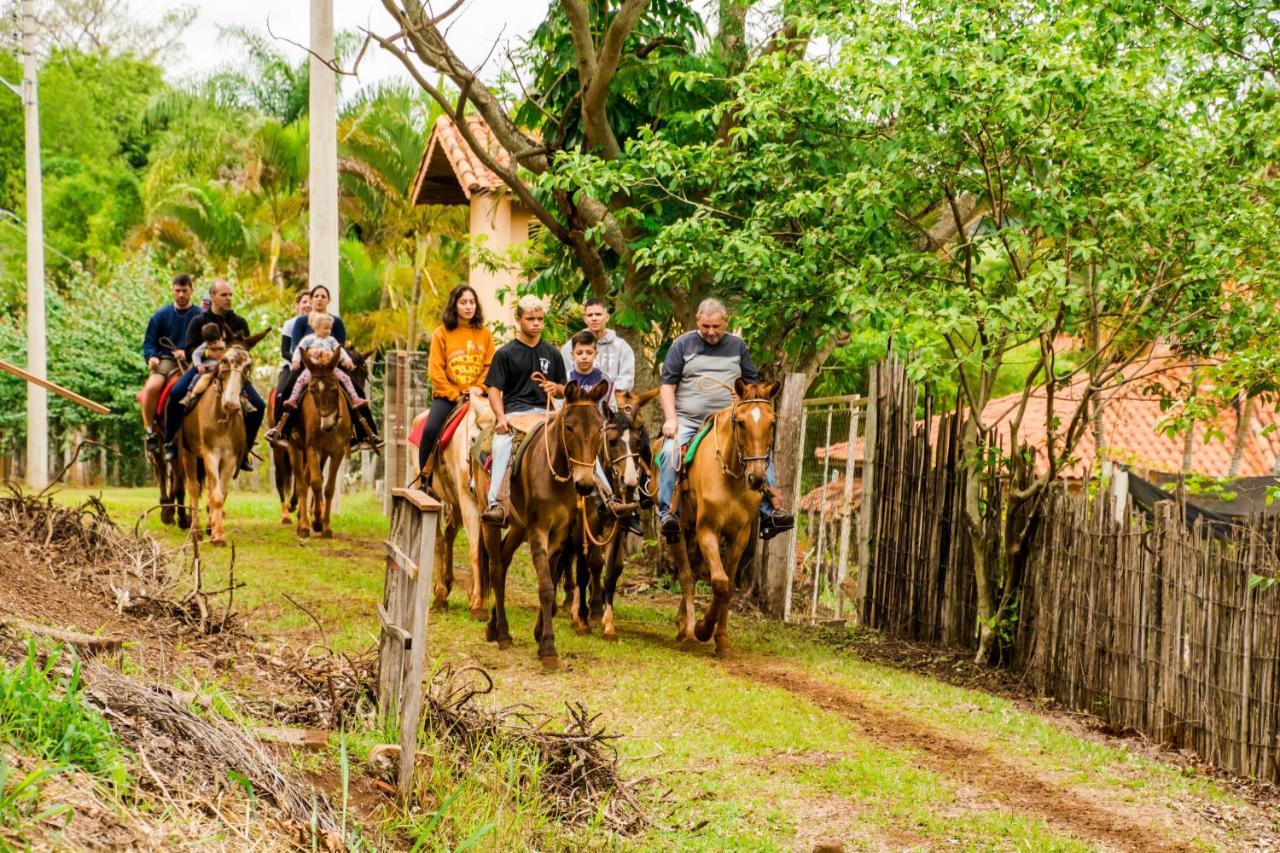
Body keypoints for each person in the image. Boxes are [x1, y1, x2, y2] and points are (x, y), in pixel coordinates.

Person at [656, 298, 794, 540]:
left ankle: (769, 511)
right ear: (698, 320)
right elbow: (667, 385)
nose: (711, 332)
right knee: (669, 452)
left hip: (728, 418)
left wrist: (741, 396)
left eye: (716, 327)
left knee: (760, 453)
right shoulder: (682, 345)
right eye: (706, 326)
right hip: (688, 419)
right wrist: (671, 419)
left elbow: (752, 386)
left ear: (726, 323)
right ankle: (668, 513)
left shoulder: (737, 346)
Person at [480, 295, 566, 525]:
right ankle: (496, 502)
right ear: (518, 319)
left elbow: (565, 390)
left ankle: (605, 497)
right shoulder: (505, 354)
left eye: (540, 319)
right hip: (515, 416)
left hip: (547, 415)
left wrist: (555, 388)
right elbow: (494, 390)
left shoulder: (553, 354)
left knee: (579, 439)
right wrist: (500, 417)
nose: (536, 323)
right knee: (501, 445)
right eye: (530, 319)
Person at [163, 279, 266, 472]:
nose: (228, 298)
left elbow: (245, 349)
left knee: (259, 406)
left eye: (230, 295)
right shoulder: (199, 321)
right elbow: (190, 348)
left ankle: (244, 451)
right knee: (175, 394)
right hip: (204, 368)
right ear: (212, 297)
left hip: (232, 372)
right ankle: (170, 442)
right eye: (224, 295)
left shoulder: (239, 322)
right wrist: (210, 355)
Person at [265, 312, 382, 448]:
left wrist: (346, 360)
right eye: (326, 328)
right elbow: (298, 349)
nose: (329, 331)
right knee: (297, 382)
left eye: (329, 328)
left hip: (330, 369)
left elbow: (341, 350)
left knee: (347, 380)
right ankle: (282, 427)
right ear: (316, 328)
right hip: (311, 368)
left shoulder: (332, 338)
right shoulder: (307, 336)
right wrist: (297, 360)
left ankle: (364, 432)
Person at [417, 285, 495, 485]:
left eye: (472, 302)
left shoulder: (485, 334)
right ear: (454, 305)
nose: (469, 307)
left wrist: (479, 388)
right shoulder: (441, 334)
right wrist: (455, 394)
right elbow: (436, 372)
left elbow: (489, 366)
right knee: (429, 430)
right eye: (463, 302)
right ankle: (425, 478)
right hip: (449, 398)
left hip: (480, 397)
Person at [141, 273, 198, 450]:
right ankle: (150, 429)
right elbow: (149, 342)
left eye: (185, 291)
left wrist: (188, 353)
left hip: (195, 363)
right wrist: (152, 357)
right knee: (151, 387)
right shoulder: (160, 315)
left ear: (191, 291)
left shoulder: (200, 315)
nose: (181, 295)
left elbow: (206, 343)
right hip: (166, 361)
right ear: (172, 290)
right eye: (178, 291)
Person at [559, 298, 634, 392]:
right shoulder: (571, 346)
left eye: (598, 314)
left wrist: (603, 393)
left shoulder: (622, 347)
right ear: (585, 319)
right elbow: (566, 378)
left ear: (607, 317)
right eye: (590, 315)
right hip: (579, 401)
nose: (594, 318)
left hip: (612, 400)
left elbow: (626, 380)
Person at [177, 323, 228, 407]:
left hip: (221, 368)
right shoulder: (205, 345)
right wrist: (199, 364)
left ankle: (245, 400)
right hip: (208, 369)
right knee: (196, 377)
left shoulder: (224, 344)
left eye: (214, 341)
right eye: (210, 343)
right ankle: (188, 395)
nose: (212, 344)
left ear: (219, 337)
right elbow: (195, 354)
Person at [277, 288, 312, 396]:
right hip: (293, 366)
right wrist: (299, 361)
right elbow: (284, 351)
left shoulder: (319, 323)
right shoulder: (290, 324)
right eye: (304, 302)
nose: (308, 305)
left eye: (310, 302)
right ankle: (280, 412)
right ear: (297, 305)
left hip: (315, 366)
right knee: (281, 393)